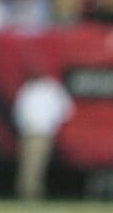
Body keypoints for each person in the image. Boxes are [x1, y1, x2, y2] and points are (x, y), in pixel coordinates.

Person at [12, 65, 74, 202]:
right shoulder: (28, 88)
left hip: (43, 132)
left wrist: (51, 123)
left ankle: (33, 193)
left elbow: (66, 108)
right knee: (27, 163)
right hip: (28, 131)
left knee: (38, 163)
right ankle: (26, 192)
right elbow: (19, 110)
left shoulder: (51, 89)